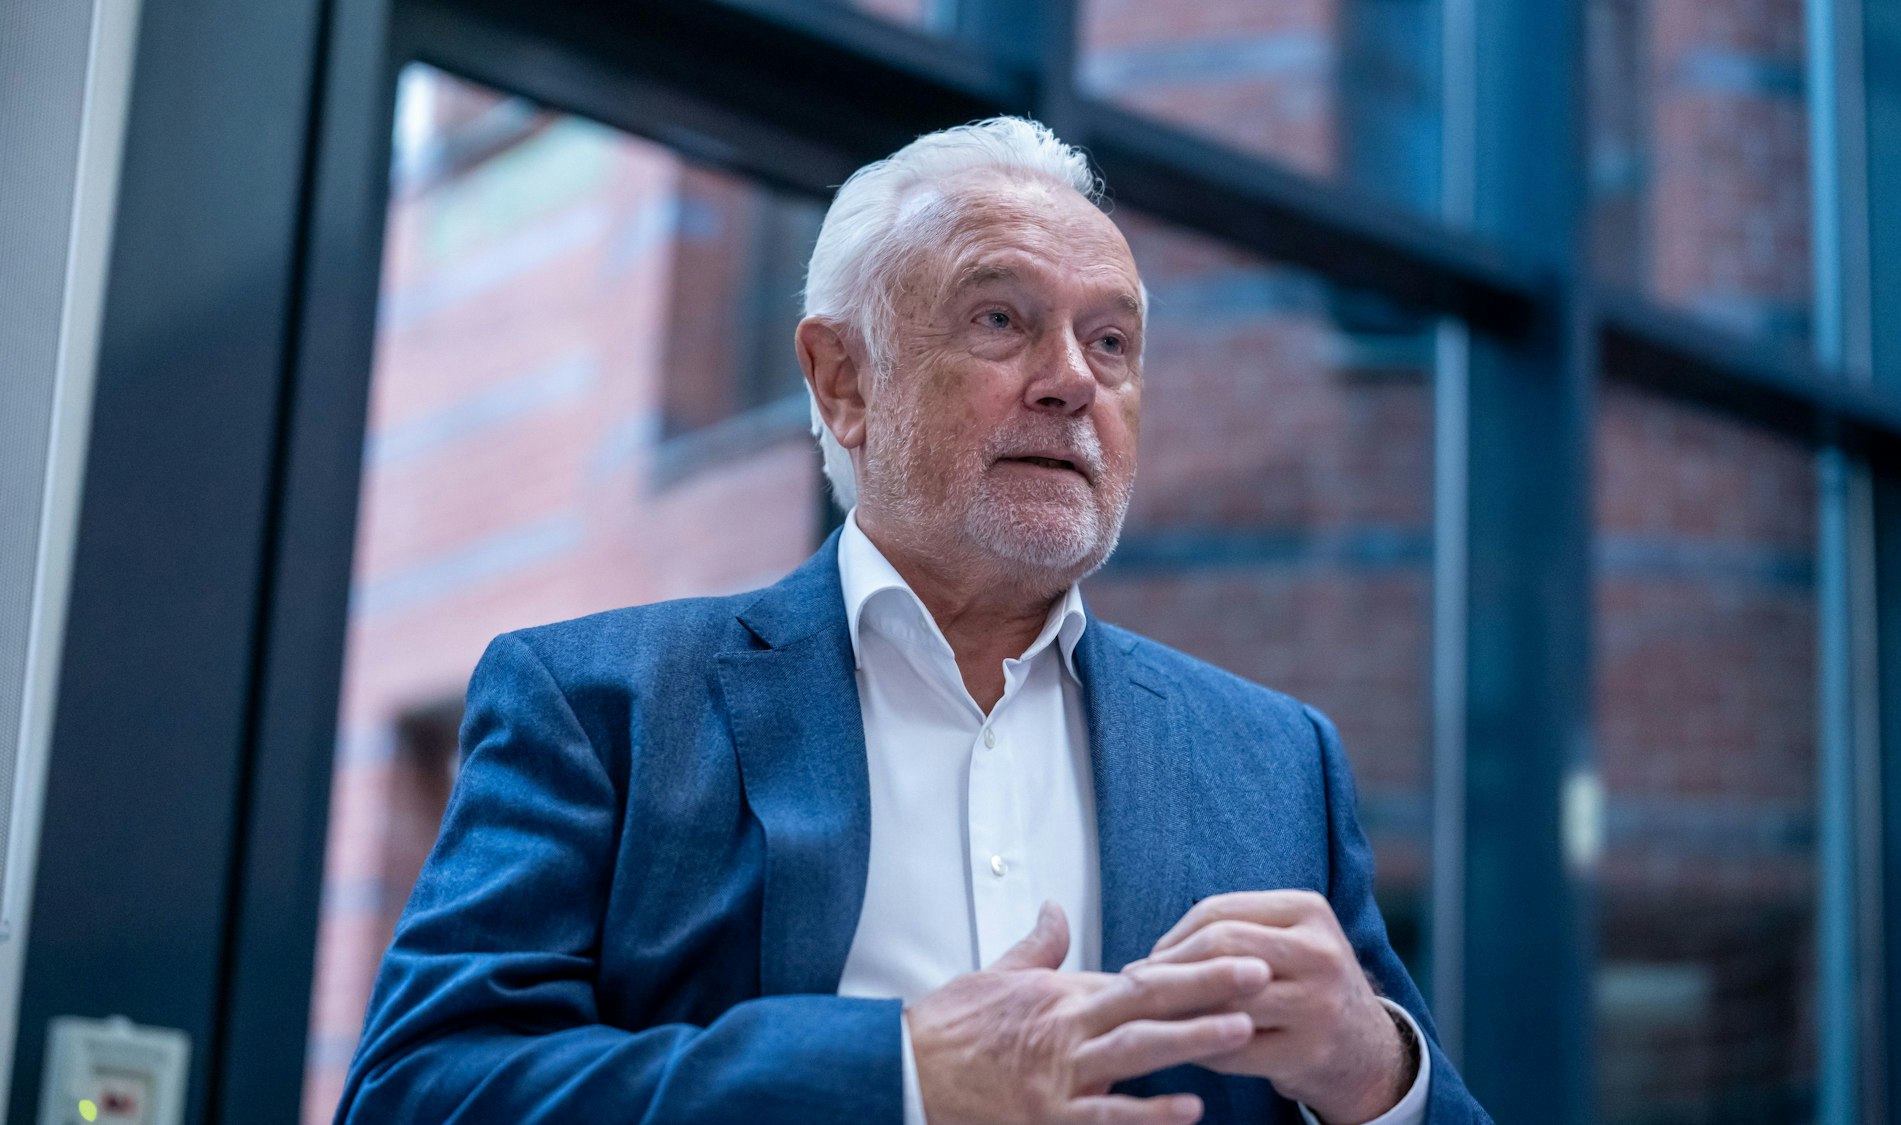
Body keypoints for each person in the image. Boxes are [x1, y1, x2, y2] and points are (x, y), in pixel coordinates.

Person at [335, 117, 1490, 1125]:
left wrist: (1369, 1066)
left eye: (1110, 341)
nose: (1070, 382)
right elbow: (418, 1093)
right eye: (1000, 319)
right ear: (843, 380)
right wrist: (895, 1080)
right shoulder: (602, 706)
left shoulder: (1275, 760)